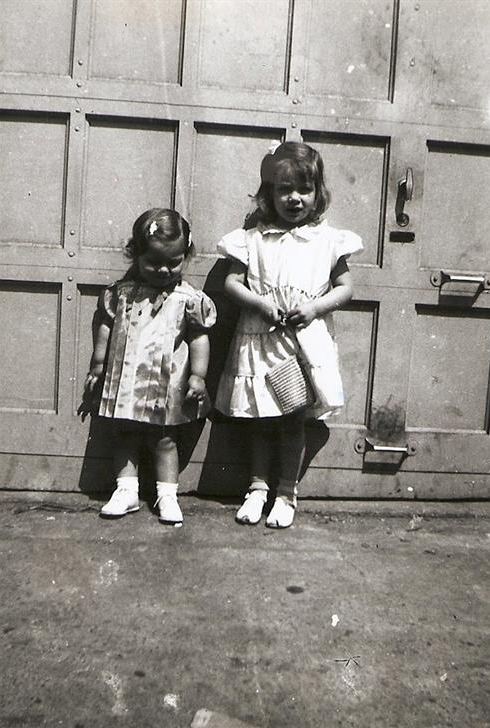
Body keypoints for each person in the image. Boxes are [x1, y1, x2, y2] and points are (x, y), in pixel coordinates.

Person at [215, 141, 363, 528]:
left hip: (302, 345)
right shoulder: (252, 238)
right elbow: (232, 284)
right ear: (269, 193)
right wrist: (261, 304)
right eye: (284, 190)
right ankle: (257, 488)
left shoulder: (327, 241)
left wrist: (314, 308)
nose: (294, 198)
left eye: (304, 189)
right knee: (261, 418)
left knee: (293, 420)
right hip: (260, 340)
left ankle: (286, 492)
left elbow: (345, 289)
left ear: (318, 193)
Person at [79, 208, 216, 525]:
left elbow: (199, 338)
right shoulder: (122, 294)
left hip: (166, 384)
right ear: (136, 254)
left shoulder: (188, 299)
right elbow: (105, 328)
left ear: (185, 256)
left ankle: (167, 494)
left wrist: (198, 376)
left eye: (174, 262)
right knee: (124, 435)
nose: (164, 269)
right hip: (126, 379)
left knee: (164, 440)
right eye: (154, 262)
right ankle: (126, 490)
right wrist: (98, 365)